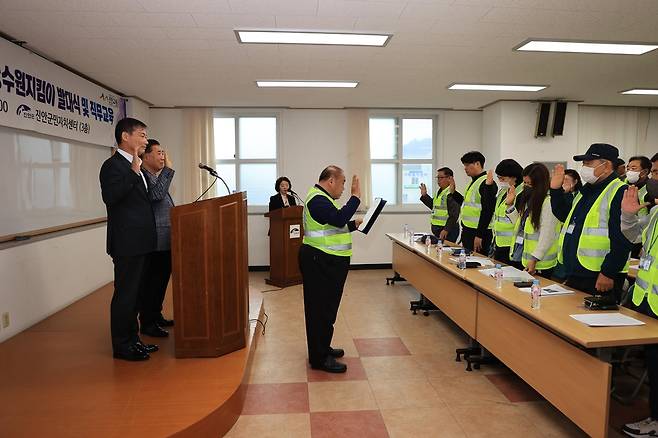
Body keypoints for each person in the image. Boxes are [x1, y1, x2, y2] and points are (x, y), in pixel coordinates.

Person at [99, 118, 158, 361]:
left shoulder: (138, 165)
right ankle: (122, 345)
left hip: (142, 241)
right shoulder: (113, 166)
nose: (145, 140)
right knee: (125, 294)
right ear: (126, 136)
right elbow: (111, 197)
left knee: (135, 294)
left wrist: (138, 169)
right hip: (127, 242)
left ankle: (134, 340)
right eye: (142, 135)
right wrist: (134, 171)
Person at [550, 143, 632, 302]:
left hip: (599, 274)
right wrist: (555, 191)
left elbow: (623, 237)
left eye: (588, 163)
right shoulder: (586, 190)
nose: (584, 167)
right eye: (583, 164)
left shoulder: (618, 191)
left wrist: (608, 272)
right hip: (577, 270)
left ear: (606, 165)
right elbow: (565, 216)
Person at [299, 165, 362, 373]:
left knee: (327, 310)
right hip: (320, 261)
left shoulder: (322, 200)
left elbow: (332, 227)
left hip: (327, 261)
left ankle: (322, 347)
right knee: (320, 311)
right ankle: (319, 359)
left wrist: (354, 225)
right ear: (331, 181)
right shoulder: (317, 199)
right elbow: (337, 219)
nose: (344, 188)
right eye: (343, 183)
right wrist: (355, 198)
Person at [620, 186, 658, 438]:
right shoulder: (655, 212)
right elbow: (635, 237)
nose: (654, 180)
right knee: (654, 364)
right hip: (647, 300)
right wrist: (628, 216)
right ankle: (654, 418)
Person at [139, 139, 175, 338]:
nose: (163, 157)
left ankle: (156, 315)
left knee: (160, 281)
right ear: (146, 156)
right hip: (155, 239)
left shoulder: (153, 176)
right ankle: (148, 322)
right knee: (152, 283)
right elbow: (157, 195)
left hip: (165, 238)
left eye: (164, 153)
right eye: (159, 153)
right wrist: (168, 170)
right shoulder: (144, 176)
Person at [505, 163, 560, 278]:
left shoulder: (547, 202)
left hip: (540, 264)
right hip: (525, 259)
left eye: (529, 183)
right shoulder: (529, 200)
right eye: (524, 182)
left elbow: (548, 234)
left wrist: (535, 258)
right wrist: (509, 205)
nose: (526, 186)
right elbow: (520, 226)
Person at [459, 151, 497, 254]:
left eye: (467, 165)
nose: (465, 168)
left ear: (477, 164)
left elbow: (488, 210)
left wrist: (479, 235)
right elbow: (467, 204)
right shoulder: (474, 182)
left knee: (478, 263)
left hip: (479, 232)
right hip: (468, 229)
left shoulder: (486, 183)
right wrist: (453, 193)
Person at [491, 159, 523, 264]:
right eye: (498, 178)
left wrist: (510, 205)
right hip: (499, 242)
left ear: (514, 177)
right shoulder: (503, 191)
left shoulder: (522, 193)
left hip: (512, 244)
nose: (500, 181)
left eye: (502, 178)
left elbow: (520, 222)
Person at [419, 167, 463, 243]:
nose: (438, 180)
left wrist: (446, 229)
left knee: (446, 253)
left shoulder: (452, 194)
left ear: (449, 178)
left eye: (441, 178)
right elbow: (434, 207)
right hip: (438, 229)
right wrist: (425, 196)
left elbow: (454, 215)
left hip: (448, 230)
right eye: (437, 178)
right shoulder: (440, 192)